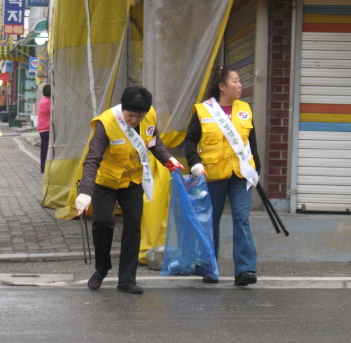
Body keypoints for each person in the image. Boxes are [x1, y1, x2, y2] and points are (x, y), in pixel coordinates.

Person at [75, 86, 184, 294]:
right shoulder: (106, 123)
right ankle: (101, 269)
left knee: (133, 225)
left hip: (133, 180)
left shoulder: (149, 116)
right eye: (130, 116)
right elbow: (92, 158)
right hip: (105, 182)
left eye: (138, 117)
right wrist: (86, 191)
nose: (134, 121)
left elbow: (154, 142)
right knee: (103, 222)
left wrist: (168, 159)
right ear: (122, 108)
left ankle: (126, 279)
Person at [184, 65, 261, 286]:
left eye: (239, 81)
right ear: (221, 86)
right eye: (235, 81)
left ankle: (245, 269)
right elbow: (189, 140)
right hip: (213, 174)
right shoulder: (202, 110)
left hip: (240, 174)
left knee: (241, 217)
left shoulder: (245, 108)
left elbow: (251, 141)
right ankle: (209, 267)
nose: (240, 85)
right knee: (210, 221)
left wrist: (257, 167)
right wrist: (194, 162)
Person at [38, 84, 52, 173]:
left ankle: (43, 166)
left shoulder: (43, 100)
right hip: (46, 127)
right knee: (45, 148)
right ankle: (44, 167)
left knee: (44, 148)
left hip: (42, 127)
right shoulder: (47, 102)